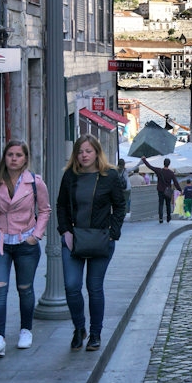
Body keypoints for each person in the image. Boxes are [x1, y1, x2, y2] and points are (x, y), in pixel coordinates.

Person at [0, 140, 51, 357]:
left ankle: (25, 330)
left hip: (25, 243)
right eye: (10, 154)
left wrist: (36, 236)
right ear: (4, 157)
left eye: (18, 155)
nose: (14, 158)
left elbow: (45, 210)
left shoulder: (35, 183)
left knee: (24, 289)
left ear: (25, 159)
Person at [57, 134, 126, 352]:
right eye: (80, 151)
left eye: (88, 151)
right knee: (71, 286)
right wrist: (65, 231)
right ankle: (79, 328)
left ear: (97, 152)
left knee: (94, 287)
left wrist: (113, 233)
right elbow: (61, 206)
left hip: (101, 239)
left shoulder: (110, 176)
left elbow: (120, 206)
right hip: (73, 238)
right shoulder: (70, 176)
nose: (84, 155)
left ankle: (95, 333)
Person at [141, 156, 181, 223]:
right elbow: (175, 182)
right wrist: (180, 190)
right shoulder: (171, 173)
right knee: (168, 204)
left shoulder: (159, 171)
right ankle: (168, 218)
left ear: (163, 163)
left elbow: (150, 166)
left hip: (160, 190)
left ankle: (161, 218)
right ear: (169, 164)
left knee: (161, 204)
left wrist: (144, 160)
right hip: (168, 190)